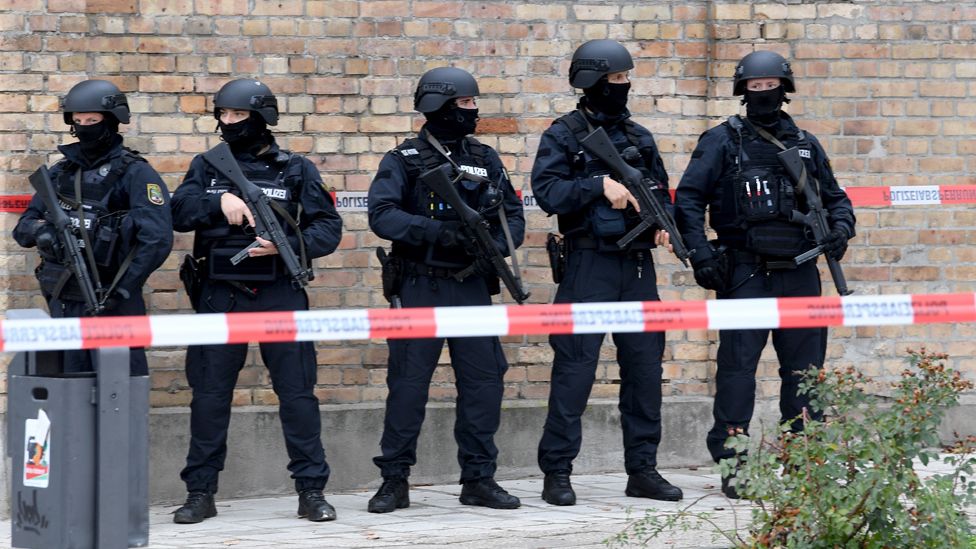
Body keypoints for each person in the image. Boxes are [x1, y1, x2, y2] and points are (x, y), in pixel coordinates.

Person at [674, 50, 856, 498]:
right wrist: (700, 254)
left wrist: (840, 231)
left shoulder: (807, 144)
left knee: (806, 374)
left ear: (785, 89)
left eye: (771, 85)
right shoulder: (722, 141)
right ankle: (734, 465)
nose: (763, 93)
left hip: (801, 273)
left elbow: (837, 199)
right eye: (755, 87)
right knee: (737, 372)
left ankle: (803, 463)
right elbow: (689, 200)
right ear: (742, 91)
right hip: (745, 273)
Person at [170, 79, 342, 522]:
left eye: (238, 116)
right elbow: (177, 212)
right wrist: (217, 201)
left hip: (279, 293)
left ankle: (311, 491)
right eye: (223, 115)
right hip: (220, 295)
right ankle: (200, 492)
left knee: (297, 394)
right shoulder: (206, 167)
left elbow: (328, 228)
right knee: (209, 396)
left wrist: (287, 242)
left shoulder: (296, 169)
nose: (228, 123)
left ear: (262, 118)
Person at [530, 39, 683, 506]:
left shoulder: (639, 136)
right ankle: (557, 472)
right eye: (615, 80)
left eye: (624, 79)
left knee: (644, 371)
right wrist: (598, 185)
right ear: (593, 82)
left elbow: (660, 190)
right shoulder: (564, 134)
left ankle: (643, 470)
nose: (623, 87)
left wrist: (662, 225)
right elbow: (547, 191)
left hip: (637, 268)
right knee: (574, 371)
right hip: (588, 264)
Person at [366, 67, 525, 513]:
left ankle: (479, 478)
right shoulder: (405, 158)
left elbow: (513, 216)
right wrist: (438, 232)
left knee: (483, 384)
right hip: (420, 286)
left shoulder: (485, 157)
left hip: (473, 284)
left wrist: (492, 242)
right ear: (441, 105)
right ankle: (394, 481)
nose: (474, 112)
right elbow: (382, 215)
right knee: (408, 386)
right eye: (467, 104)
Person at [12, 79, 173, 375]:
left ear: (111, 121)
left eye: (93, 120)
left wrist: (121, 290)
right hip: (66, 299)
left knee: (121, 386)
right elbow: (23, 229)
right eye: (78, 121)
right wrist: (42, 231)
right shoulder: (60, 173)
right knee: (69, 387)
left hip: (113, 300)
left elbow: (157, 240)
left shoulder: (136, 173)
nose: (85, 127)